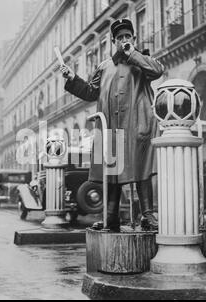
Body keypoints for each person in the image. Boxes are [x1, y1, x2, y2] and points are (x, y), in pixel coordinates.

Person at [59, 18, 164, 231]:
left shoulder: (142, 60)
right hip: (112, 129)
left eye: (128, 36)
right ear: (113, 41)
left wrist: (133, 54)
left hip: (137, 125)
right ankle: (111, 217)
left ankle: (147, 215)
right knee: (112, 172)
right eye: (120, 37)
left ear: (133, 38)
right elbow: (90, 92)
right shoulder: (104, 66)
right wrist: (72, 78)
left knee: (141, 169)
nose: (124, 40)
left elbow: (158, 71)